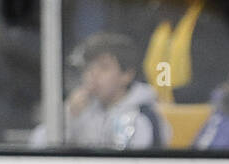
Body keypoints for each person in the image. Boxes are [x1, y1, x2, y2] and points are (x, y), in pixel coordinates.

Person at [32, 31, 172, 148]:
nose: (93, 75)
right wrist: (68, 115)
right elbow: (38, 145)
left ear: (127, 75)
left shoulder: (142, 117)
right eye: (88, 68)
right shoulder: (82, 110)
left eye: (103, 68)